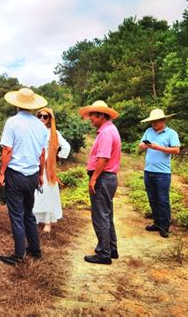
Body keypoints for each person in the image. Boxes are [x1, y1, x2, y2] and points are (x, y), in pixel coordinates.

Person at [0, 88, 48, 265]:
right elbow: (42, 153)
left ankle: (18, 254)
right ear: (33, 106)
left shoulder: (12, 122)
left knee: (17, 214)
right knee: (29, 214)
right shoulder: (40, 125)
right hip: (32, 175)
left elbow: (7, 149)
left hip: (16, 175)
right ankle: (35, 249)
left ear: (17, 104)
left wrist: (2, 173)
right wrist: (41, 175)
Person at [78, 100, 121, 265]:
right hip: (109, 177)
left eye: (92, 117)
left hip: (103, 178)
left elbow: (103, 158)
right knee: (107, 214)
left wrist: (94, 178)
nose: (90, 120)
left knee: (100, 216)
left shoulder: (105, 133)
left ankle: (104, 253)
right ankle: (111, 248)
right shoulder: (111, 129)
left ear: (101, 115)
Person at [139, 109, 180, 238]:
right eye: (152, 122)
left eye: (157, 121)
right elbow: (142, 143)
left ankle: (165, 226)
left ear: (163, 120)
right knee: (152, 199)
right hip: (148, 170)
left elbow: (176, 150)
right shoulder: (148, 131)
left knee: (163, 200)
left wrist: (159, 147)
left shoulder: (171, 133)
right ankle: (157, 223)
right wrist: (143, 146)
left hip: (163, 173)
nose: (154, 124)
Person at [33, 108, 71, 233]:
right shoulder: (33, 130)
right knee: (34, 194)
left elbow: (66, 147)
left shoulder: (53, 133)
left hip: (47, 168)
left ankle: (47, 222)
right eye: (40, 116)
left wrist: (56, 157)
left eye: (45, 116)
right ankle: (34, 218)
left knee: (47, 193)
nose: (42, 119)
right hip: (33, 165)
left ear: (50, 119)